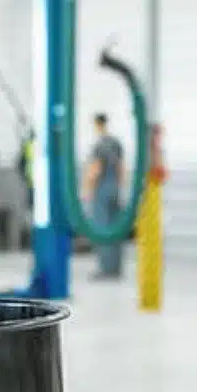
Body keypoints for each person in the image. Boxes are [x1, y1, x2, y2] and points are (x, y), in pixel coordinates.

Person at [81, 112, 125, 280]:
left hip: (101, 190)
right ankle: (116, 268)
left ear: (97, 124)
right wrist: (119, 188)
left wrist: (87, 189)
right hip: (114, 188)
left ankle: (105, 269)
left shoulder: (100, 144)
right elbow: (121, 168)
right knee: (115, 230)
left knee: (102, 229)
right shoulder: (116, 143)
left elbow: (96, 169)